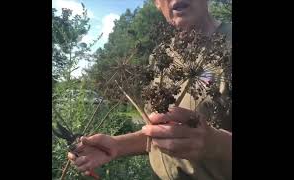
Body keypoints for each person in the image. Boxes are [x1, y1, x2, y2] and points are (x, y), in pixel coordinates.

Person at [68, 0, 232, 179]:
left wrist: (218, 144)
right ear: (156, 3)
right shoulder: (161, 56)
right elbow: (158, 133)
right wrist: (116, 145)